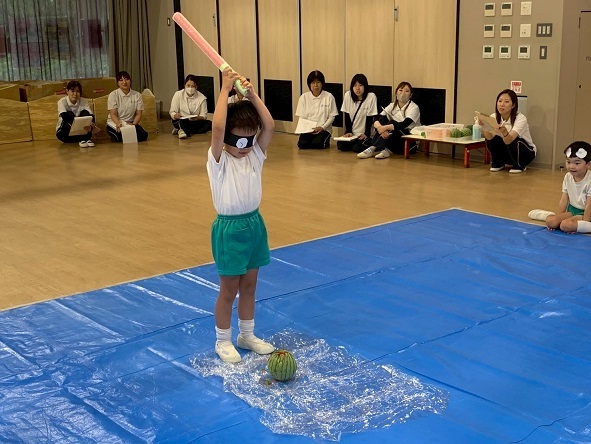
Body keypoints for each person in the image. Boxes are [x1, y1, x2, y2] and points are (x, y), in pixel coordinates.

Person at [207, 67, 275, 363]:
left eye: (250, 140)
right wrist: (224, 90)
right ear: (227, 140)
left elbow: (269, 126)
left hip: (254, 225)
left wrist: (252, 96)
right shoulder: (219, 161)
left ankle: (246, 334)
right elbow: (217, 129)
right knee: (229, 289)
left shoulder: (255, 156)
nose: (245, 147)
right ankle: (222, 340)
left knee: (249, 286)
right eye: (239, 141)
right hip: (230, 230)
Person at [529, 141, 591, 233]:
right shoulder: (568, 177)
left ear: (588, 164)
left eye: (577, 163)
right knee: (551, 222)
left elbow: (589, 205)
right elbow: (564, 199)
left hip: (586, 213)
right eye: (568, 162)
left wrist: (584, 225)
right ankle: (550, 215)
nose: (571, 166)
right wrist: (558, 217)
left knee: (565, 225)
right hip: (573, 210)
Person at [357, 81, 420, 159]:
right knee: (382, 119)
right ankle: (385, 150)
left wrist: (385, 128)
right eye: (400, 90)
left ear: (411, 95)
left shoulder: (414, 107)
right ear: (396, 92)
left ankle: (373, 147)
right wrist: (380, 128)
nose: (403, 93)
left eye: (406, 91)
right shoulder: (392, 105)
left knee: (392, 123)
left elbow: (404, 124)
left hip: (408, 140)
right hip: (393, 137)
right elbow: (377, 117)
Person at [480, 89, 535, 173]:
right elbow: (489, 138)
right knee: (494, 138)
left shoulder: (521, 118)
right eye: (500, 101)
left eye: (506, 102)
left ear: (513, 105)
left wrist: (505, 132)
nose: (502, 104)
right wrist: (484, 126)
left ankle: (520, 165)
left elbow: (509, 140)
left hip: (525, 153)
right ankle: (498, 163)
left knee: (514, 139)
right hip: (508, 153)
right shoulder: (493, 117)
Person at [295, 70, 338, 149]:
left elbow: (332, 116)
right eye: (313, 83)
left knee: (318, 144)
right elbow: (301, 117)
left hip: (323, 130)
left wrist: (322, 127)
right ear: (309, 84)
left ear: (322, 83)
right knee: (302, 145)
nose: (315, 85)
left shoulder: (329, 97)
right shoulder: (303, 97)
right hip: (308, 130)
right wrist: (307, 129)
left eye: (318, 82)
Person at [337, 73, 378, 153]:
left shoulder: (371, 97)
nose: (357, 88)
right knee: (340, 145)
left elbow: (370, 118)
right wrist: (348, 131)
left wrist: (366, 134)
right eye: (355, 86)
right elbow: (347, 115)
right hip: (353, 134)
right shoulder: (348, 95)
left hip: (365, 134)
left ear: (365, 86)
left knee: (357, 148)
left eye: (360, 85)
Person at [106, 71, 148, 142]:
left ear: (130, 81)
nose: (124, 82)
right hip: (116, 122)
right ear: (117, 83)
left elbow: (138, 114)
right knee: (121, 137)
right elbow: (113, 114)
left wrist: (134, 124)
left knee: (143, 135)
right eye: (121, 80)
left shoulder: (137, 95)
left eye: (126, 79)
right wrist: (118, 124)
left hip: (130, 123)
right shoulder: (113, 95)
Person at [56, 80, 98, 148]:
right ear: (67, 91)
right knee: (69, 114)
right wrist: (78, 125)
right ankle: (83, 139)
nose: (75, 94)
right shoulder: (62, 101)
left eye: (77, 91)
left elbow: (91, 115)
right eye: (72, 91)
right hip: (65, 133)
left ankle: (83, 139)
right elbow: (65, 117)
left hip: (81, 131)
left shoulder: (83, 101)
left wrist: (92, 123)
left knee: (85, 113)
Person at [169, 74, 212, 139]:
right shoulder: (178, 94)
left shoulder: (202, 97)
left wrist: (198, 118)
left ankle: (182, 129)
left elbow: (204, 115)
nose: (190, 88)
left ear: (196, 87)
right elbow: (172, 112)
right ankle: (183, 129)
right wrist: (175, 115)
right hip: (182, 120)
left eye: (193, 86)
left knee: (209, 124)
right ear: (184, 85)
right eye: (188, 86)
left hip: (194, 121)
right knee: (179, 122)